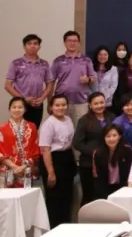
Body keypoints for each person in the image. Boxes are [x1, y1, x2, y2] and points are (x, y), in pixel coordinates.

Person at [39, 95, 77, 229]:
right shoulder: (48, 124)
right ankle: (54, 228)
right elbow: (45, 149)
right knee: (54, 199)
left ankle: (65, 228)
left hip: (67, 159)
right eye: (57, 105)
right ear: (51, 107)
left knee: (67, 197)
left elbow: (70, 143)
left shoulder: (68, 119)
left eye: (63, 105)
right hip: (53, 161)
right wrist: (51, 172)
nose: (61, 108)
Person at [73, 92, 116, 206]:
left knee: (106, 194)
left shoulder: (111, 117)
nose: (99, 106)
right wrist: (96, 152)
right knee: (90, 196)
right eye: (95, 103)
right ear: (90, 105)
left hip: (108, 164)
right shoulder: (84, 120)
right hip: (89, 164)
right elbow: (77, 143)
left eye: (101, 102)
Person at [5, 34, 54, 127]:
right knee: (19, 131)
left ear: (39, 47)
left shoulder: (44, 64)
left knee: (34, 131)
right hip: (20, 104)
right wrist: (23, 99)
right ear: (24, 46)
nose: (32, 46)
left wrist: (42, 98)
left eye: (35, 43)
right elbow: (7, 86)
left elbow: (49, 84)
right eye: (29, 43)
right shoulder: (16, 63)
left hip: (37, 104)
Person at [0, 97, 40, 187]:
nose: (17, 110)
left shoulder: (32, 127)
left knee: (24, 199)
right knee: (5, 199)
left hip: (26, 169)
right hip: (7, 169)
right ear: (9, 110)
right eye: (14, 107)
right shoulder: (2, 128)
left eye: (20, 107)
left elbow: (35, 150)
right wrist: (15, 167)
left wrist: (23, 167)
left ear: (25, 110)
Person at [52, 31, 96, 127]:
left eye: (75, 41)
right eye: (69, 41)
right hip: (62, 102)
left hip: (82, 102)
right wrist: (50, 102)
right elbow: (51, 81)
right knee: (61, 128)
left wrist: (88, 80)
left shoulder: (86, 60)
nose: (72, 43)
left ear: (79, 43)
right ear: (64, 43)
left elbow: (93, 78)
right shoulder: (58, 61)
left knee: (80, 129)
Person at [92, 124, 132, 199]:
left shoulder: (127, 150)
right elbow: (98, 178)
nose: (111, 139)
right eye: (108, 136)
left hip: (123, 189)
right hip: (105, 190)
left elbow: (129, 173)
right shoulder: (98, 153)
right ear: (104, 138)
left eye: (114, 135)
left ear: (119, 136)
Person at [92, 45, 119, 111]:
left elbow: (113, 86)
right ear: (97, 56)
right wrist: (93, 98)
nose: (102, 57)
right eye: (100, 54)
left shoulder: (113, 69)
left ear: (108, 56)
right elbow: (88, 85)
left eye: (105, 54)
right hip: (92, 101)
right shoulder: (90, 67)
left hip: (107, 102)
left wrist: (103, 99)